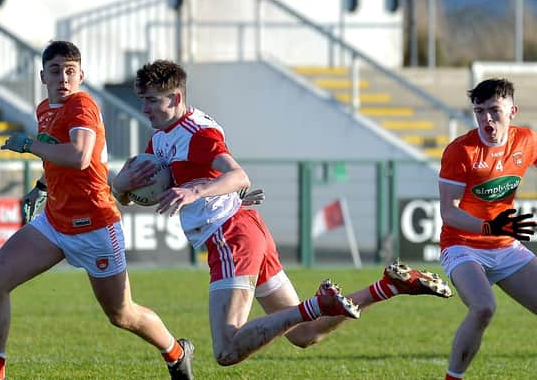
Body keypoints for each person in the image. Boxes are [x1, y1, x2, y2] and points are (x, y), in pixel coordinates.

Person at [111, 59, 453, 366]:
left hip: (230, 236)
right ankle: (389, 287)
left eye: (152, 100)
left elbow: (238, 175)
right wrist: (122, 187)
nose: (145, 108)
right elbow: (146, 193)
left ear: (176, 98)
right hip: (244, 229)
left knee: (226, 350)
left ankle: (319, 304)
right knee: (306, 334)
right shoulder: (160, 139)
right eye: (142, 99)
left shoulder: (198, 134)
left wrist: (195, 190)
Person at [0, 41, 194, 380]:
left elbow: (78, 156)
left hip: (95, 225)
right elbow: (56, 155)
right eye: (56, 71)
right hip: (55, 222)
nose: (64, 77)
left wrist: (29, 145)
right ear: (43, 75)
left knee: (122, 314)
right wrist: (43, 187)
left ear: (82, 75)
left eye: (71, 71)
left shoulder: (82, 106)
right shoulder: (45, 108)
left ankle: (177, 353)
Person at [438, 78, 537, 380]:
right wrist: (490, 225)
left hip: (505, 246)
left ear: (513, 110)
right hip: (462, 245)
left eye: (494, 110)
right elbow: (449, 213)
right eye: (479, 111)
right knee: (483, 308)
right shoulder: (461, 151)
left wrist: (498, 230)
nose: (486, 119)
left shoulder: (526, 140)